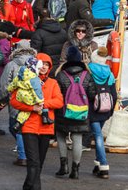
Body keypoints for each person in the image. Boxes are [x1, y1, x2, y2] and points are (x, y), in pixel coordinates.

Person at [10, 52, 63, 190]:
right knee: (33, 162)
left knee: (39, 163)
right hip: (29, 126)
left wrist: (44, 104)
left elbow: (59, 102)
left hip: (46, 127)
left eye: (47, 65)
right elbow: (14, 101)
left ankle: (27, 186)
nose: (44, 67)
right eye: (42, 64)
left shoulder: (53, 83)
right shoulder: (24, 80)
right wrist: (32, 107)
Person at [55, 46, 96, 179]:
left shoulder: (61, 74)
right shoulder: (87, 75)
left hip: (63, 111)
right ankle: (75, 170)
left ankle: (63, 166)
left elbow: (58, 95)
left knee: (61, 136)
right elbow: (91, 94)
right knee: (77, 139)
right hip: (81, 112)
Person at [0, 40, 37, 166]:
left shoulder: (12, 64)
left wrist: (2, 96)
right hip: (32, 99)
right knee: (27, 126)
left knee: (15, 126)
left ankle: (23, 156)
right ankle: (29, 151)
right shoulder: (36, 63)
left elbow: (4, 83)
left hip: (16, 99)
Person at [88, 47, 117, 179]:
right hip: (106, 108)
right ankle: (99, 164)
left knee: (98, 136)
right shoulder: (109, 73)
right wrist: (110, 111)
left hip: (93, 108)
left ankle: (104, 166)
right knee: (98, 134)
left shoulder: (89, 71)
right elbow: (114, 94)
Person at [7, 57, 54, 132]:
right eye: (38, 69)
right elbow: (37, 91)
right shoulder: (34, 78)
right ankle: (45, 117)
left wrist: (9, 89)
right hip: (28, 96)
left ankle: (18, 123)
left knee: (25, 111)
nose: (39, 71)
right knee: (41, 106)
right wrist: (40, 101)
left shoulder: (21, 74)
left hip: (20, 95)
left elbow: (14, 83)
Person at [30, 9, 68, 76]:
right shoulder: (63, 31)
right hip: (61, 67)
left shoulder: (38, 33)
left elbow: (35, 53)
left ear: (38, 18)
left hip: (45, 68)